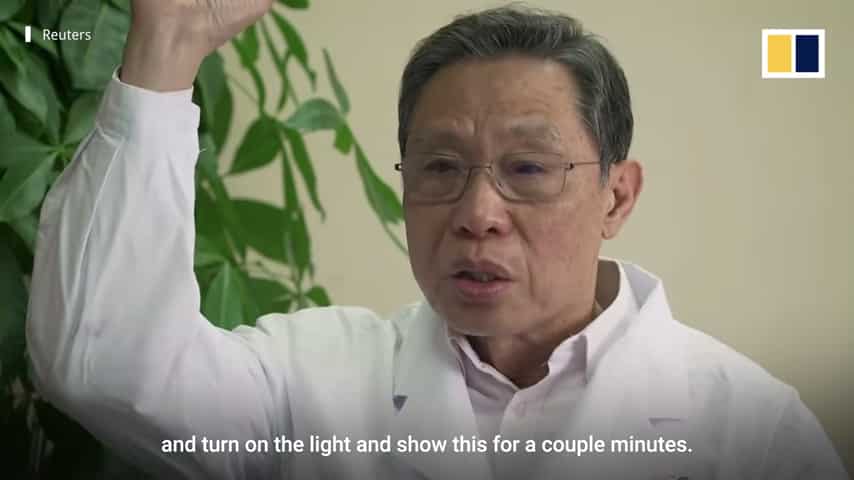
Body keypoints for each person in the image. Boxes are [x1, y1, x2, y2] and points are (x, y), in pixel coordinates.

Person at [25, 1, 847, 479]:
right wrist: (166, 50)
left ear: (616, 196)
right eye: (441, 167)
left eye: (528, 168)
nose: (478, 212)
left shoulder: (754, 430)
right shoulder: (313, 381)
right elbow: (104, 364)